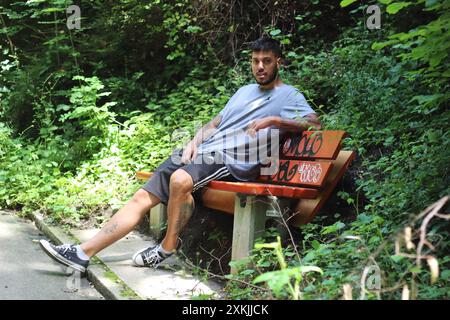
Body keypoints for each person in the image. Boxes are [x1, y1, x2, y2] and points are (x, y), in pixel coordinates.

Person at [39, 36, 321, 273]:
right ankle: (82, 253)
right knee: (142, 197)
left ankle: (167, 247)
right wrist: (192, 142)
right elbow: (214, 124)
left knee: (180, 180)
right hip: (206, 153)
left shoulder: (289, 95)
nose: (260, 67)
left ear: (279, 62)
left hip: (232, 160)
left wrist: (275, 122)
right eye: (255, 61)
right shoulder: (244, 91)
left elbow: (314, 123)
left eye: (267, 61)